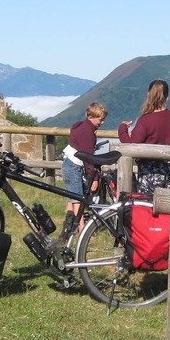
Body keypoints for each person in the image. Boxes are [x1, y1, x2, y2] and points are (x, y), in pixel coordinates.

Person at [118, 79, 170, 194]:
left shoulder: (145, 120)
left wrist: (122, 129)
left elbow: (131, 144)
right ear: (167, 98)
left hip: (150, 171)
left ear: (148, 95)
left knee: (148, 202)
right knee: (166, 202)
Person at [60, 101, 107, 241]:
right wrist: (94, 178)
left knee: (72, 199)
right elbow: (88, 158)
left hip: (69, 164)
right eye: (100, 119)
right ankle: (82, 232)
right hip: (74, 166)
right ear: (91, 117)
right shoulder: (87, 133)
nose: (102, 122)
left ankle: (68, 229)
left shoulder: (81, 127)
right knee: (77, 200)